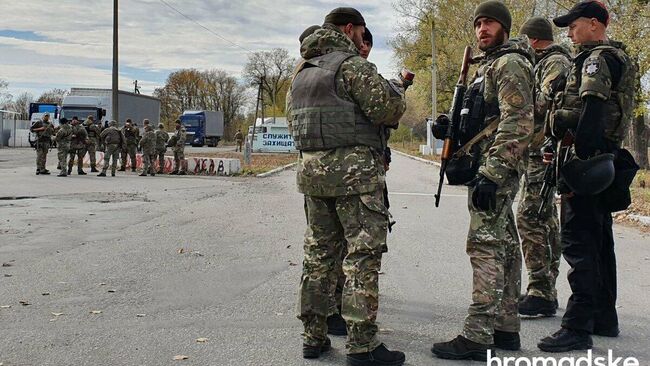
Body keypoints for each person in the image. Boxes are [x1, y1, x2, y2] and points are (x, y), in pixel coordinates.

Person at [288, 8, 409, 365]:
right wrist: (398, 92)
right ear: (349, 29)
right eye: (360, 32)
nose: (361, 39)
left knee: (318, 257)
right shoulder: (352, 65)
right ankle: (362, 346)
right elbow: (388, 111)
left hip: (312, 176)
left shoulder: (301, 73)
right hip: (355, 178)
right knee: (361, 257)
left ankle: (313, 337)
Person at [430, 1, 534, 361]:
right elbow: (481, 117)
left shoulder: (510, 63)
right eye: (477, 24)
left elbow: (518, 120)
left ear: (504, 26)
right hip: (488, 167)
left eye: (489, 22)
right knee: (503, 244)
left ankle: (477, 335)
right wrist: (448, 127)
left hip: (495, 171)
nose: (481, 29)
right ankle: (506, 327)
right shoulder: (488, 67)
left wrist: (493, 172)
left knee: (485, 247)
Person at [537, 0, 636, 353]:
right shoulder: (614, 56)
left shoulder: (596, 59)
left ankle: (577, 326)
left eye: (574, 24)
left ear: (595, 24)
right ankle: (603, 317)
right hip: (601, 160)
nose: (569, 31)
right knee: (599, 242)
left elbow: (592, 111)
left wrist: (575, 158)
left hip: (587, 163)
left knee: (579, 245)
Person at [516, 17, 573, 317]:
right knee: (544, 218)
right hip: (539, 151)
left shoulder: (555, 64)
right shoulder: (547, 62)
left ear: (533, 40)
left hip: (546, 152)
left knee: (529, 217)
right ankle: (544, 289)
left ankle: (541, 290)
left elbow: (543, 104)